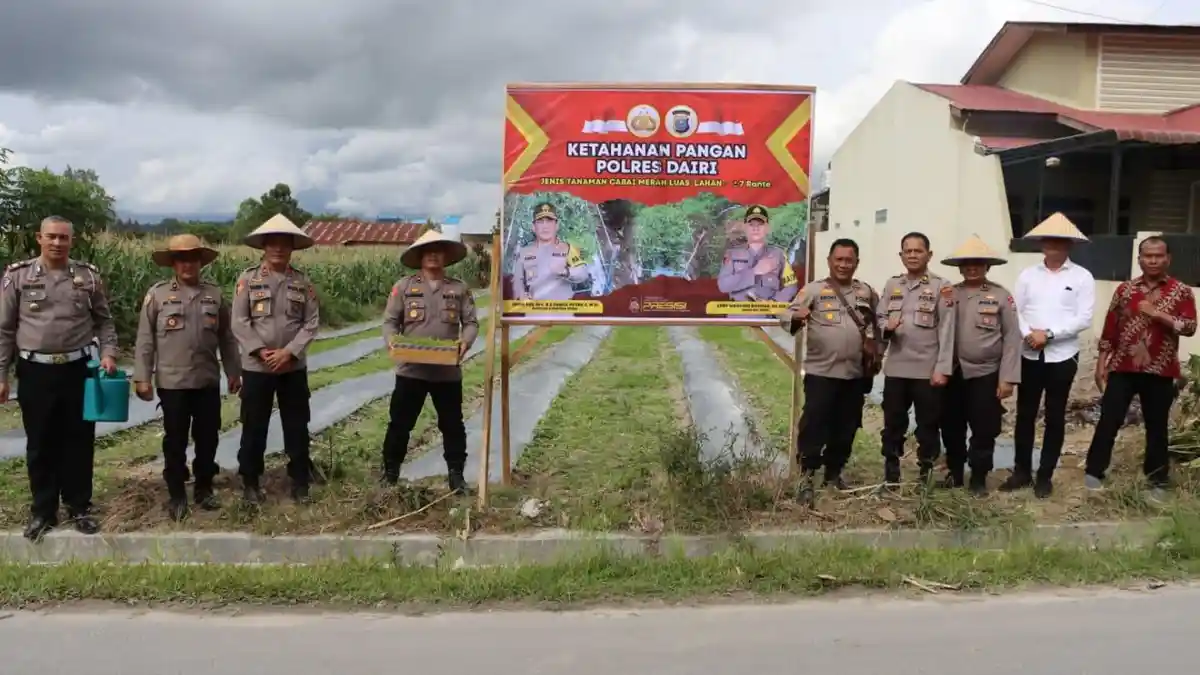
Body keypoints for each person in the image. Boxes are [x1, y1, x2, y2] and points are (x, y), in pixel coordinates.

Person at [0, 216, 119, 541]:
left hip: (78, 370)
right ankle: (43, 510)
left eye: (63, 238)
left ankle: (79, 506)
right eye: (51, 237)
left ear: (72, 240)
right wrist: (2, 375)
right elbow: (4, 329)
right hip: (35, 370)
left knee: (78, 441)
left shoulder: (87, 276)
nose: (57, 243)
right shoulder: (18, 276)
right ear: (39, 238)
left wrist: (109, 353)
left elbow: (104, 322)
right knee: (41, 442)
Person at [133, 234, 242, 521]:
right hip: (172, 383)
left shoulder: (214, 295)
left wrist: (234, 372)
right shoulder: (157, 296)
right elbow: (145, 340)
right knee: (175, 440)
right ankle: (176, 494)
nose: (187, 264)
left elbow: (227, 339)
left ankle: (204, 489)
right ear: (173, 263)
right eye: (181, 258)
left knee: (208, 438)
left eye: (193, 258)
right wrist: (141, 377)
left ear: (200, 262)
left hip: (206, 380)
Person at [1084, 236, 1196, 497]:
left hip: (1161, 370)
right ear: (1139, 259)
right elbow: (1110, 327)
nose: (1153, 260)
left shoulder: (1182, 292)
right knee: (1109, 420)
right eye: (1148, 256)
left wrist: (1158, 314)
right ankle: (1094, 471)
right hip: (1122, 367)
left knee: (1156, 426)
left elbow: (1189, 328)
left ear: (1168, 259)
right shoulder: (1125, 290)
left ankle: (1157, 479)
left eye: (1158, 256)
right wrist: (1102, 362)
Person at [779, 238, 879, 505]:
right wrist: (795, 317)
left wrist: (876, 352)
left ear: (857, 262)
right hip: (821, 373)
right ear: (829, 261)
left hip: (855, 375)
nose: (844, 265)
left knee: (846, 427)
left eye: (849, 260)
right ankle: (806, 479)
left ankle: (834, 474)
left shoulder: (866, 292)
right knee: (814, 426)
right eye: (839, 259)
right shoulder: (813, 290)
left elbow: (878, 324)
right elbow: (786, 316)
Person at [1003, 212, 1094, 498]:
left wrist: (1050, 334)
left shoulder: (1082, 277)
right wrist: (1030, 334)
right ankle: (1021, 471)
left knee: (1055, 416)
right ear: (1042, 244)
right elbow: (1015, 310)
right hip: (1030, 355)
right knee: (1025, 414)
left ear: (1069, 245)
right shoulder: (1028, 275)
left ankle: (1045, 475)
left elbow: (1084, 318)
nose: (1053, 246)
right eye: (1048, 241)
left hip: (1063, 356)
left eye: (1059, 242)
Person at [231, 214, 320, 505]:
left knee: (296, 424)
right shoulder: (247, 280)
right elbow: (240, 321)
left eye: (284, 244)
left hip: (292, 366)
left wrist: (289, 352)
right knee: (253, 425)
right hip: (257, 366)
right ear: (264, 247)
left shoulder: (302, 283)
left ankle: (300, 483)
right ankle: (250, 482)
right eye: (273, 244)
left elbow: (311, 322)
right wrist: (260, 350)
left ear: (292, 248)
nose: (278, 249)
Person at [381, 229, 479, 493]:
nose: (433, 256)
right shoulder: (404, 287)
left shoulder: (459, 289)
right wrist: (391, 340)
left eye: (438, 251)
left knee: (452, 424)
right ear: (420, 256)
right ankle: (390, 473)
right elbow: (390, 321)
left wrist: (465, 342)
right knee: (400, 423)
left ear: (446, 257)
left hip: (446, 372)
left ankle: (456, 476)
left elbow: (470, 323)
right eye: (428, 251)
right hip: (410, 370)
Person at [937, 236, 1021, 495]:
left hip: (986, 373)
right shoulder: (949, 294)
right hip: (954, 372)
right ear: (960, 268)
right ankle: (955, 472)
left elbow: (1012, 337)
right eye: (967, 264)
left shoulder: (1000, 296)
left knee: (984, 429)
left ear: (987, 267)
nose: (972, 268)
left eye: (978, 263)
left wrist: (1007, 378)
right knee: (951, 427)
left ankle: (979, 477)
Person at [875, 232, 956, 485]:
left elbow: (948, 330)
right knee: (893, 423)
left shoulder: (942, 287)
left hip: (927, 370)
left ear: (929, 255)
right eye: (907, 251)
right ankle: (891, 470)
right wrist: (886, 326)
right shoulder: (892, 285)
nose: (912, 255)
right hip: (897, 368)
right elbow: (878, 319)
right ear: (901, 255)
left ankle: (927, 473)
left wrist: (942, 369)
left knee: (928, 425)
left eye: (917, 251)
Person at [717, 205, 799, 303]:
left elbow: (791, 286)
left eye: (760, 224)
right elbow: (723, 285)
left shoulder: (779, 255)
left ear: (767, 228)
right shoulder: (732, 255)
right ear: (745, 228)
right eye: (751, 224)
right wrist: (755, 271)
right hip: (739, 315)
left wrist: (774, 302)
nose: (756, 228)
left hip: (768, 316)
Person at [510, 202, 590, 302]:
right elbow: (517, 281)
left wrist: (566, 271)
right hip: (535, 311)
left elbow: (583, 273)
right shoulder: (523, 253)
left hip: (564, 310)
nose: (545, 226)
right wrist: (521, 296)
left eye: (549, 221)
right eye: (540, 222)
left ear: (557, 226)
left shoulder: (567, 248)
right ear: (533, 227)